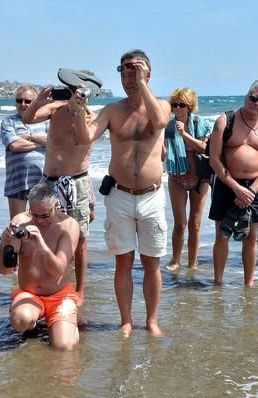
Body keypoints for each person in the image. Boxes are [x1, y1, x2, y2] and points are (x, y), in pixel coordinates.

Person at [72, 49, 170, 337]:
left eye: (134, 72)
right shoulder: (114, 110)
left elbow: (161, 122)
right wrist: (78, 111)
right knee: (123, 262)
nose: (128, 78)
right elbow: (84, 137)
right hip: (120, 195)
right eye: (124, 73)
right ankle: (126, 321)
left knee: (152, 263)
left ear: (147, 75)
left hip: (152, 196)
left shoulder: (160, 105)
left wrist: (142, 85)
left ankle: (151, 321)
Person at [21, 70, 101, 309]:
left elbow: (82, 138)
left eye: (78, 91)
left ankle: (79, 291)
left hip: (76, 182)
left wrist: (78, 110)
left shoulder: (91, 118)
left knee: (80, 239)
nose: (72, 95)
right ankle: (41, 285)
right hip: (48, 181)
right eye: (70, 90)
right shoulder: (55, 109)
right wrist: (38, 100)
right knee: (38, 231)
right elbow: (27, 119)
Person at [208, 80, 258, 287]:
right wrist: (236, 188)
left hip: (256, 187)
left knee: (251, 238)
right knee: (222, 236)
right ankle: (218, 282)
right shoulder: (225, 120)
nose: (256, 104)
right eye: (253, 98)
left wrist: (251, 190)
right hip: (227, 183)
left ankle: (249, 284)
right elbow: (214, 160)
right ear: (246, 96)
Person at [0, 184, 80, 350]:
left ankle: (70, 322)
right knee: (21, 321)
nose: (40, 221)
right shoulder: (20, 222)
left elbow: (58, 271)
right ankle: (34, 316)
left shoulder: (68, 226)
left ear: (56, 206)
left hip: (59, 294)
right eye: (34, 215)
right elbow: (5, 270)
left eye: (44, 215)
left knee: (63, 346)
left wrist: (40, 245)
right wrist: (5, 243)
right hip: (30, 293)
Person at [164, 87, 211, 271]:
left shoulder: (202, 124)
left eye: (181, 104)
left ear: (189, 106)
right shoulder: (167, 126)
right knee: (180, 223)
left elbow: (204, 149)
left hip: (199, 177)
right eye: (174, 104)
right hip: (177, 177)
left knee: (195, 223)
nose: (177, 108)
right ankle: (175, 259)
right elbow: (161, 152)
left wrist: (184, 134)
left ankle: (192, 262)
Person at [0, 85, 48, 219]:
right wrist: (41, 142)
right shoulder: (8, 122)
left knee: (44, 224)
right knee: (18, 225)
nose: (23, 104)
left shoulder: (47, 121)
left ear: (35, 102)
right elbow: (14, 145)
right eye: (19, 100)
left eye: (28, 101)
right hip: (17, 180)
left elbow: (54, 142)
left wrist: (30, 135)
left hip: (43, 181)